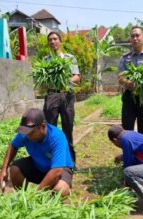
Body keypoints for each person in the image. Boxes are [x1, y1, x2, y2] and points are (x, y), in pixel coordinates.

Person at [0, 108, 74, 196]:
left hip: (60, 169)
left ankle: (50, 202)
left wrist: (35, 195)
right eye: (26, 132)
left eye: (31, 133)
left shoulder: (57, 137)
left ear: (42, 126)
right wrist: (4, 169)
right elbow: (13, 145)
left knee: (60, 189)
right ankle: (22, 198)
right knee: (15, 169)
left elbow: (57, 170)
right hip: (38, 166)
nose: (27, 135)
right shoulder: (26, 134)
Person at [44, 31, 80, 163]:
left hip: (66, 95)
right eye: (50, 40)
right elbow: (43, 81)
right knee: (50, 129)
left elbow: (77, 77)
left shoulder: (70, 58)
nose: (52, 42)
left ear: (60, 41)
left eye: (55, 39)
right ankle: (52, 160)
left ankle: (70, 161)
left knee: (67, 127)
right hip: (52, 95)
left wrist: (65, 81)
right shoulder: (46, 61)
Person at [117, 26, 143, 137]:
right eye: (132, 36)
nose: (135, 38)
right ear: (130, 39)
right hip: (129, 97)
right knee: (126, 131)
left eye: (137, 35)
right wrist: (128, 83)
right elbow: (120, 77)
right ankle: (129, 154)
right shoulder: (125, 58)